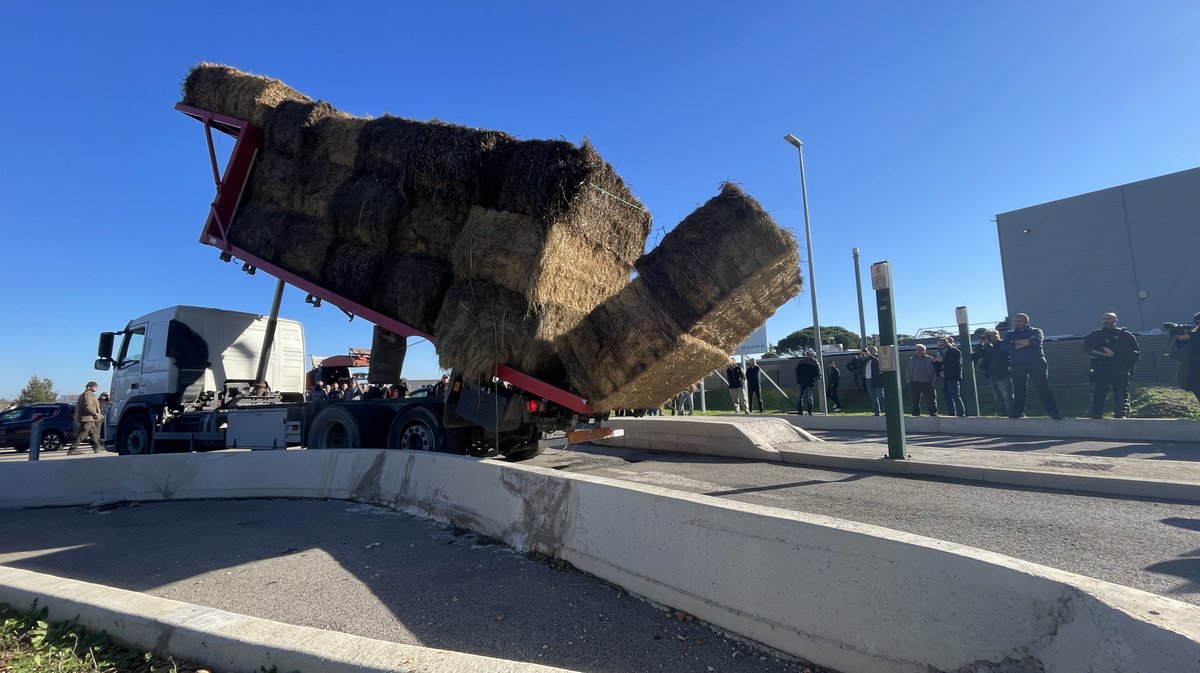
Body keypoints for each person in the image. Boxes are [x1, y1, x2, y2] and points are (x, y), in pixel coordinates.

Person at [1002, 313, 1062, 419]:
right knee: (1018, 389)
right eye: (1016, 321)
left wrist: (1015, 342)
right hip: (1017, 364)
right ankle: (1018, 412)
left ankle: (1053, 412)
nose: (1017, 323)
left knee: (1043, 387)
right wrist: (1026, 342)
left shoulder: (1036, 331)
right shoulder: (1009, 333)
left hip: (1036, 362)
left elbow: (1036, 341)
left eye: (1020, 320)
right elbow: (1006, 346)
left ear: (1027, 321)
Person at [1082, 312, 1140, 419]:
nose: (1106, 321)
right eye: (1104, 319)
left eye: (1109, 319)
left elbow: (1135, 354)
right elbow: (1087, 349)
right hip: (1101, 368)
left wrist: (1126, 368)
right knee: (1099, 391)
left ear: (1115, 320)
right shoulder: (1095, 335)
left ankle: (1120, 415)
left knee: (1121, 392)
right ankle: (1096, 413)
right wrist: (1103, 353)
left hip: (1119, 369)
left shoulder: (1125, 335)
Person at [973, 330, 1012, 417]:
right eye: (985, 336)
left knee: (1007, 397)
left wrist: (987, 345)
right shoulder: (986, 347)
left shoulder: (1003, 344)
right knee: (997, 398)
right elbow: (978, 355)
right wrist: (980, 344)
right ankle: (1004, 415)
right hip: (991, 375)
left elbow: (997, 355)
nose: (986, 338)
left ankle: (1012, 414)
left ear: (996, 336)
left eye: (988, 336)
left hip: (1002, 374)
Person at [67, 381, 104, 454]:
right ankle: (72, 449)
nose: (96, 387)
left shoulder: (91, 395)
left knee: (93, 433)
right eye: (95, 386)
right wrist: (95, 413)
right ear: (89, 387)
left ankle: (97, 447)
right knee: (83, 433)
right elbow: (88, 406)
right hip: (87, 418)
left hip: (90, 418)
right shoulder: (87, 395)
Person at [1171, 312, 1200, 405]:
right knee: (1196, 387)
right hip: (1194, 369)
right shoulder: (1193, 335)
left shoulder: (1195, 336)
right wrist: (1182, 339)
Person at [933, 336, 966, 417]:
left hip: (952, 377)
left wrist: (942, 360)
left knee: (955, 396)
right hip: (943, 376)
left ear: (946, 344)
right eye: (938, 345)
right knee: (947, 398)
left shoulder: (955, 351)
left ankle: (961, 414)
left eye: (941, 345)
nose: (939, 347)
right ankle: (951, 414)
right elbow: (938, 365)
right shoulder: (939, 353)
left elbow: (956, 364)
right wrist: (935, 362)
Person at [905, 344, 938, 416]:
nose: (918, 351)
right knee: (915, 400)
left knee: (931, 400)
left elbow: (935, 371)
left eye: (920, 349)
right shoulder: (912, 359)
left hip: (928, 383)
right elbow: (908, 370)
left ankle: (933, 413)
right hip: (915, 383)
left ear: (924, 351)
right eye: (917, 349)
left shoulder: (930, 359)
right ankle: (915, 413)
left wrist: (934, 381)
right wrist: (909, 381)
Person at [794, 349, 822, 415]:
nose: (809, 355)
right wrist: (798, 378)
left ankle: (810, 411)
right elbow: (796, 370)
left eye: (810, 354)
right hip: (800, 382)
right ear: (806, 354)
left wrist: (812, 380)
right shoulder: (801, 362)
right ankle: (800, 411)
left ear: (813, 355)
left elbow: (819, 374)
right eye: (808, 354)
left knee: (809, 398)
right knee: (798, 397)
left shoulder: (815, 363)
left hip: (809, 383)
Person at [863, 346, 886, 415]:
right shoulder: (867, 359)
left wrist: (869, 355)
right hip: (868, 379)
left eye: (871, 350)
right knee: (872, 396)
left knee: (880, 395)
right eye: (868, 350)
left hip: (877, 379)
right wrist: (861, 355)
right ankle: (876, 412)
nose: (869, 352)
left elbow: (877, 362)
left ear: (875, 351)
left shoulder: (878, 357)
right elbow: (860, 364)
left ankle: (887, 410)